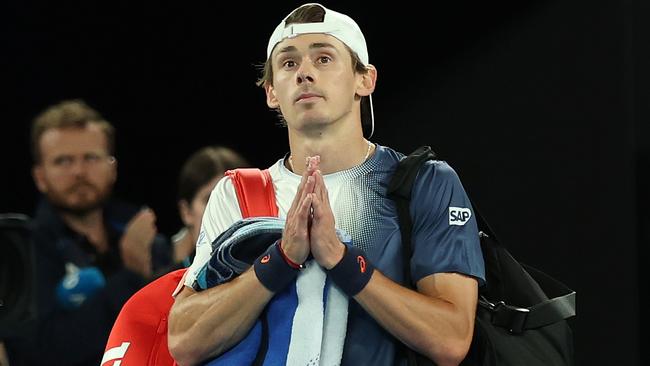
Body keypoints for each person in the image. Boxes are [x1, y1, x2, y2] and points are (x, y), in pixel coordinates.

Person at [168, 3, 485, 366]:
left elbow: (451, 339)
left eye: (323, 59)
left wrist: (341, 258)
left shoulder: (423, 183)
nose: (304, 73)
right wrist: (281, 259)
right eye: (289, 64)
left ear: (365, 79)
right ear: (272, 92)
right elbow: (184, 340)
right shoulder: (238, 193)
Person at [5, 99, 171, 366]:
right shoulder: (21, 250)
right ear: (39, 177)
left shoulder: (142, 232)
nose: (79, 172)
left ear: (112, 168)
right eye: (63, 161)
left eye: (91, 158)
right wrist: (132, 275)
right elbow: (39, 352)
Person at [171, 145, 250, 269]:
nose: (223, 210)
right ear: (186, 212)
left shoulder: (275, 276)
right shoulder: (168, 286)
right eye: (210, 200)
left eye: (235, 199)